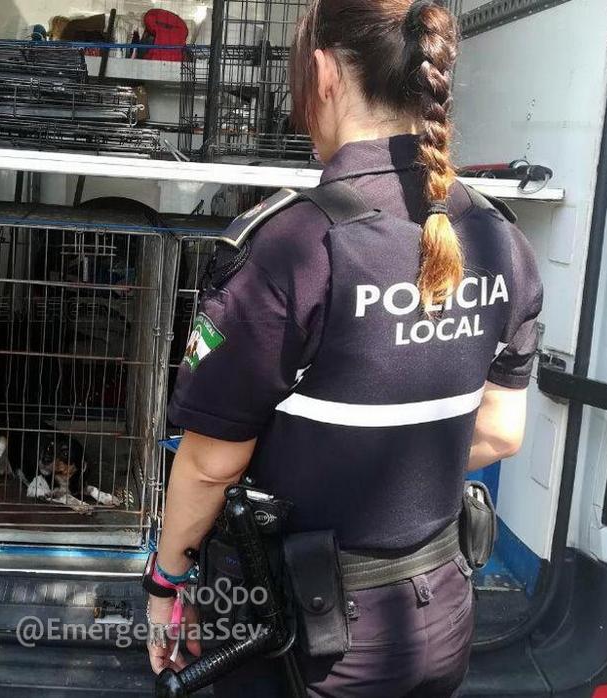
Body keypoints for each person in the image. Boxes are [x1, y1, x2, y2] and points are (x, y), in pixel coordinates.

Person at [143, 0, 544, 695]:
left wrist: (165, 584)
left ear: (324, 73)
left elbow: (210, 467)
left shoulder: (292, 248)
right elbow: (501, 432)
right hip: (442, 619)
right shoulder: (502, 241)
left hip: (301, 638)